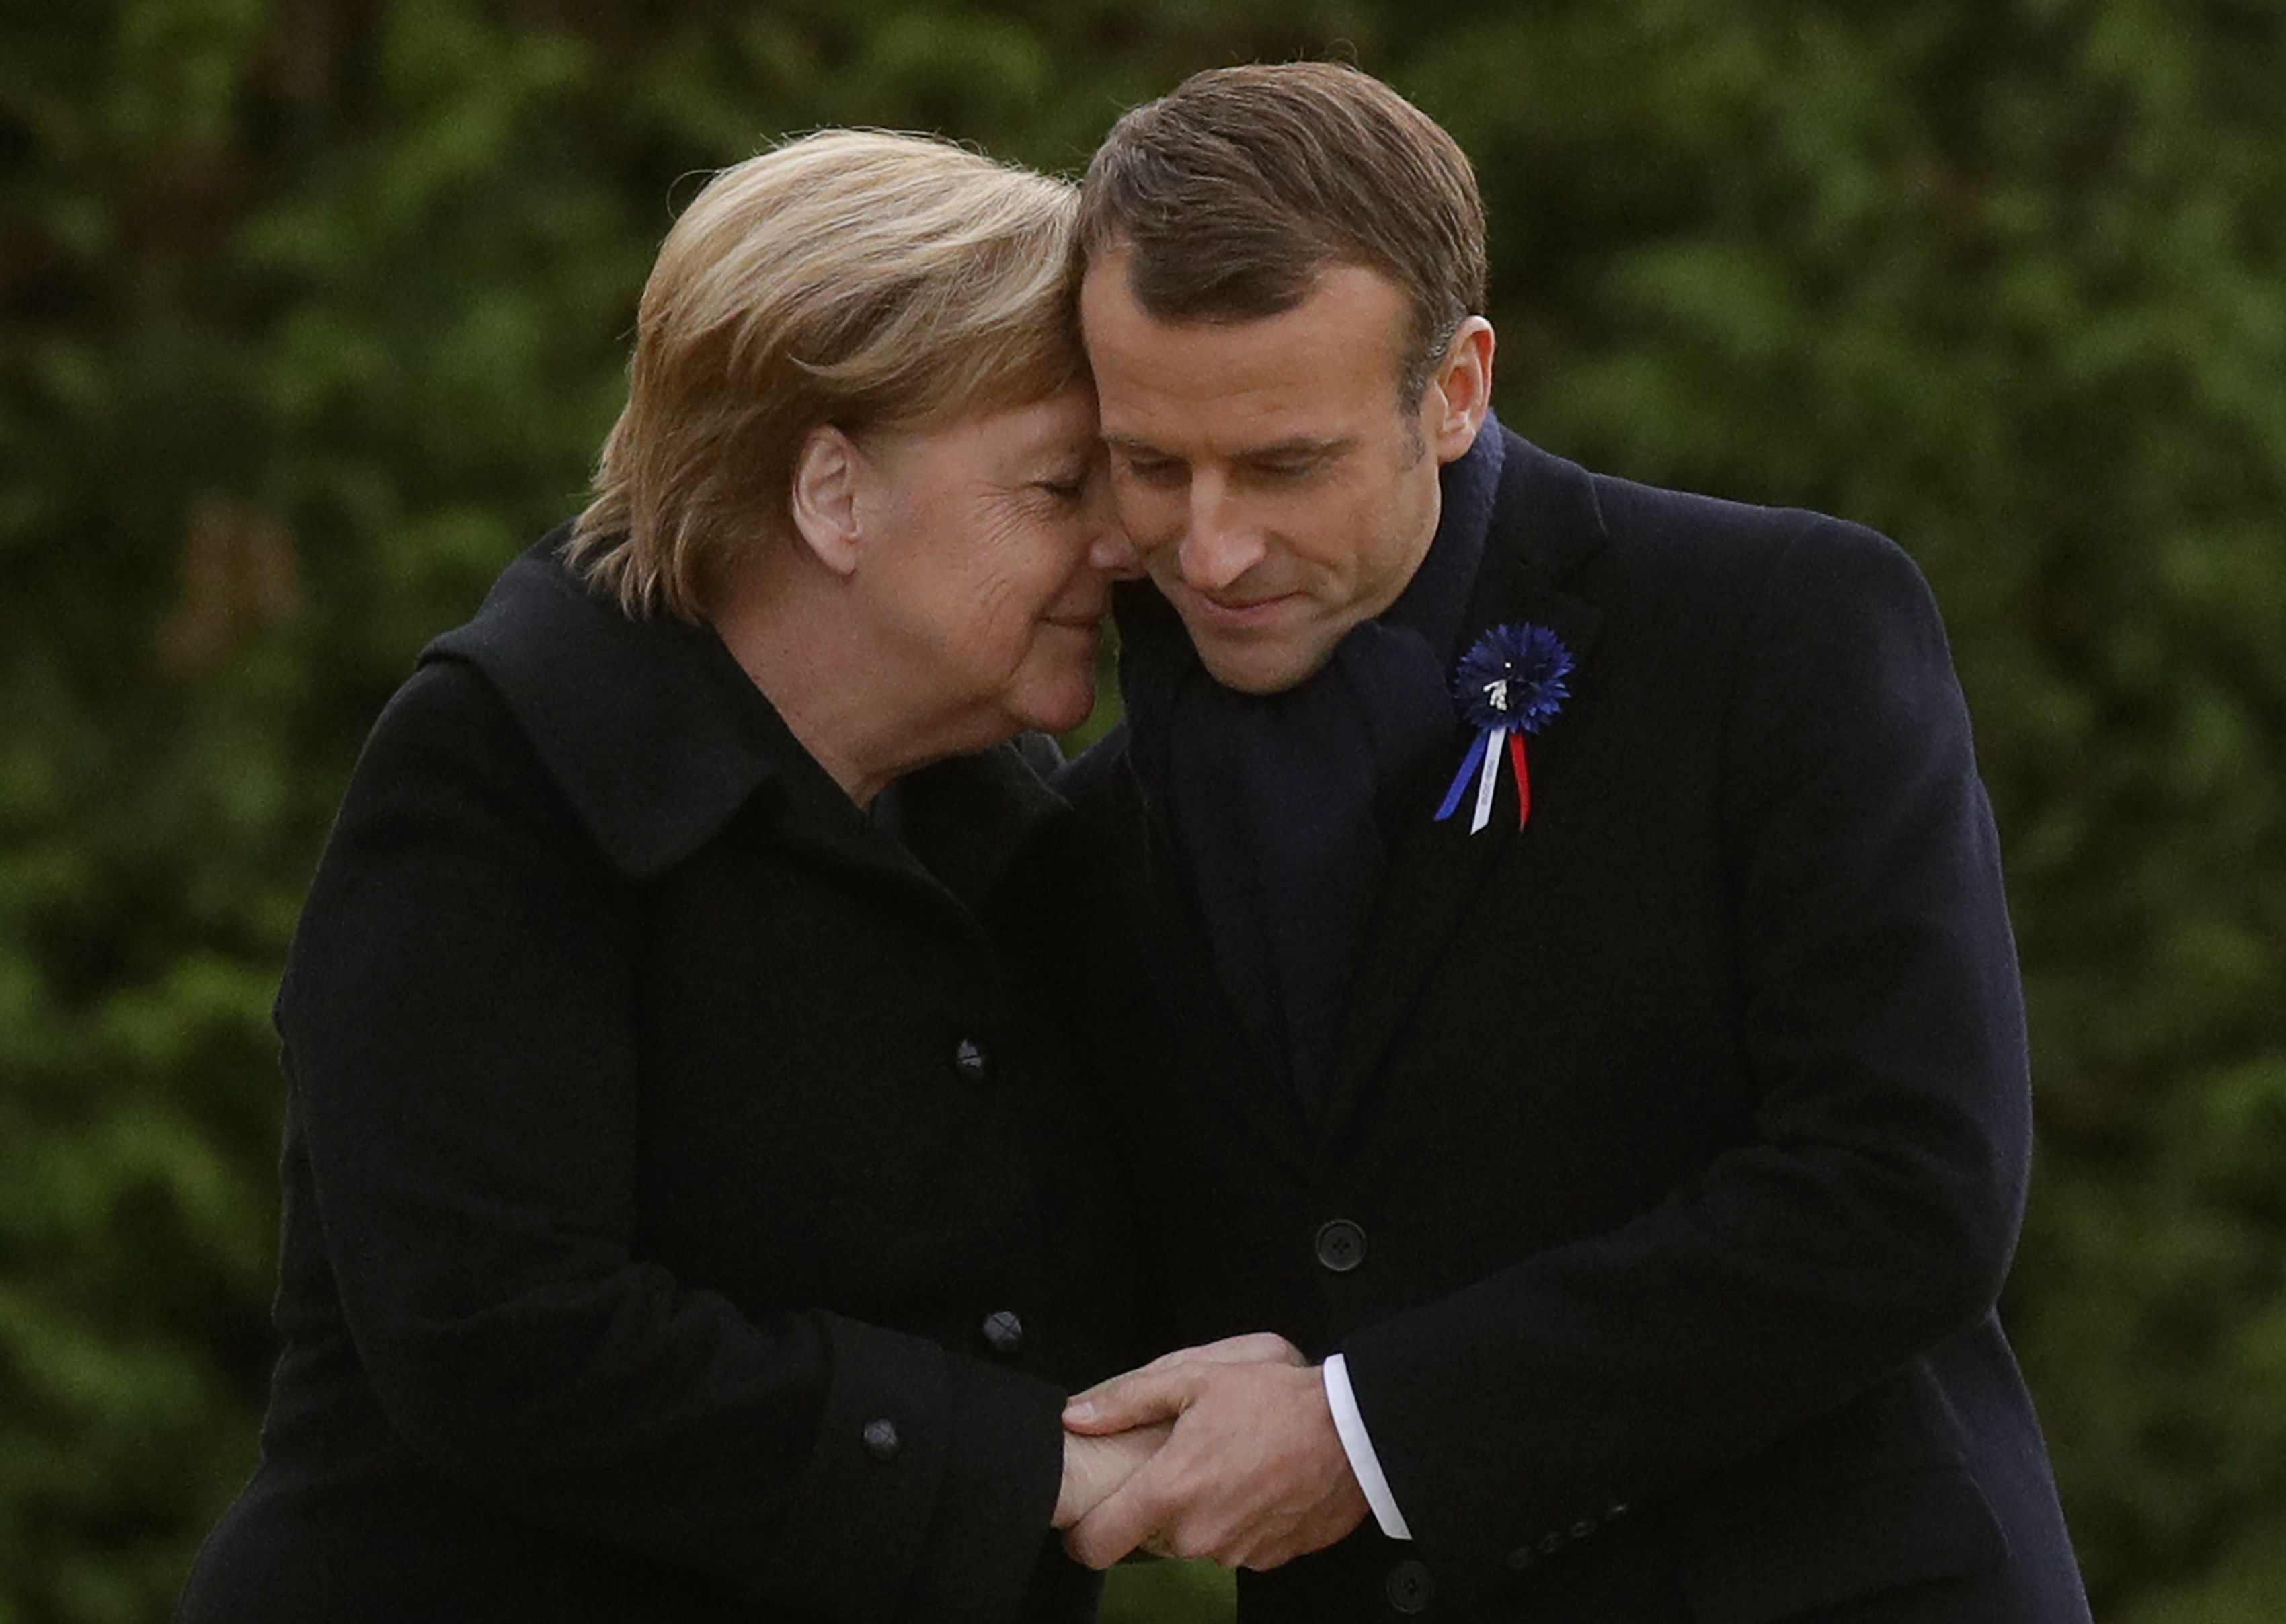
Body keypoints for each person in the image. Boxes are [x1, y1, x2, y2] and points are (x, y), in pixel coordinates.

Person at [1047, 62, 2095, 1623]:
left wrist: (1367, 1432)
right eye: (1150, 464)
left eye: (1284, 465)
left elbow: (1905, 1191)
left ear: (1455, 387)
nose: (1208, 549)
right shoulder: (1087, 824)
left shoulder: (1776, 629)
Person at [175, 130, 1158, 1624]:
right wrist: (1023, 1464)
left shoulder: (994, 811)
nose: (1121, 540)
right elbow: (504, 1333)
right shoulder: (508, 769)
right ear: (832, 495)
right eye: (1053, 484)